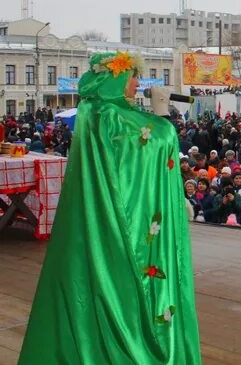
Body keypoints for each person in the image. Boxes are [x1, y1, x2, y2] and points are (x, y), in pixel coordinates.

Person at [19, 52, 201, 364]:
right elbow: (152, 141)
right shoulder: (110, 115)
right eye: (133, 76)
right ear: (116, 77)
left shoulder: (96, 110)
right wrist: (162, 117)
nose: (138, 83)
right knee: (122, 285)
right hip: (124, 220)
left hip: (97, 220)